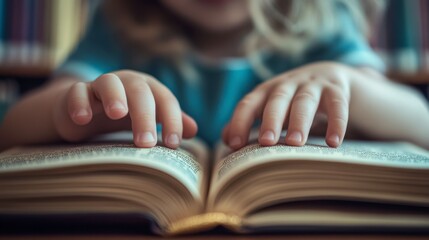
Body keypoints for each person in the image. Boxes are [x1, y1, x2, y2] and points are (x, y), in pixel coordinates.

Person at [1, 0, 428, 151]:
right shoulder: (117, 22)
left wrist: (353, 87)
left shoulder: (324, 21)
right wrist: (70, 109)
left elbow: (420, 124)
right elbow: (12, 126)